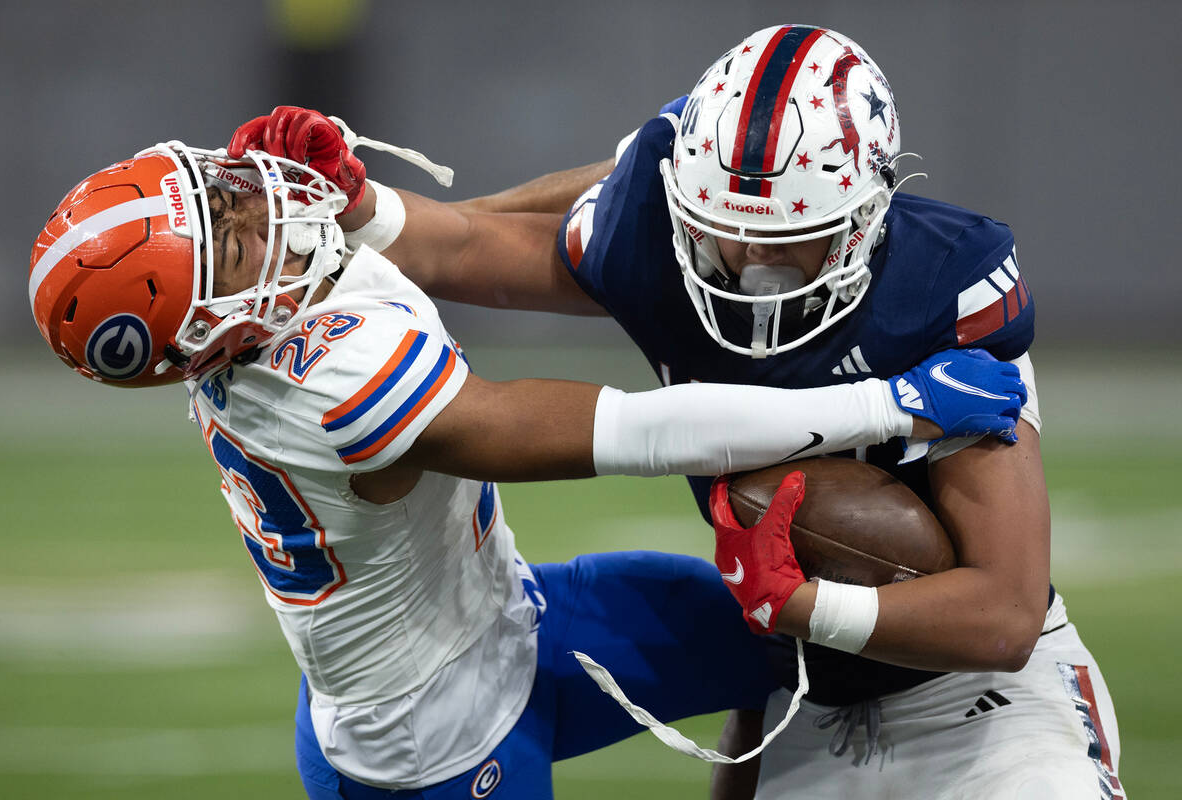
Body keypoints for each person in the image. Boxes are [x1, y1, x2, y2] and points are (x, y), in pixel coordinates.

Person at [259, 23, 1124, 800]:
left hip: (979, 704)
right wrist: (353, 212)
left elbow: (1006, 616)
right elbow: (470, 247)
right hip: (803, 699)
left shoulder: (945, 290)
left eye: (784, 240)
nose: (745, 265)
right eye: (720, 232)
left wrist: (804, 606)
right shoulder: (657, 233)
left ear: (865, 216)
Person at [27, 132, 1024, 797]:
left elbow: (486, 233)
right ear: (204, 330)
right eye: (237, 242)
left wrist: (370, 205)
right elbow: (628, 431)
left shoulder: (280, 307)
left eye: (232, 197)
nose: (265, 214)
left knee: (776, 640)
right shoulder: (318, 383)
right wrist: (883, 402)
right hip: (435, 744)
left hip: (509, 622)